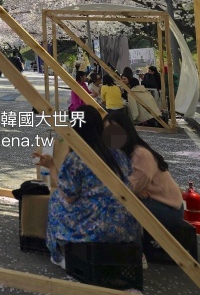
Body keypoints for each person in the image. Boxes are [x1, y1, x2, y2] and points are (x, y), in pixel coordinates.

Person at [34, 105, 139, 269]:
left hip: (94, 228)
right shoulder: (118, 154)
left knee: (55, 199)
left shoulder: (76, 159)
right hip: (125, 225)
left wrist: (52, 167)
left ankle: (59, 253)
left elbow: (68, 196)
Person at [105, 111, 184, 229]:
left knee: (113, 210)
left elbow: (125, 188)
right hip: (151, 201)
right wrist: (134, 191)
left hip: (168, 208)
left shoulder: (140, 154)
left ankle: (133, 247)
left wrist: (133, 191)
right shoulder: (121, 152)